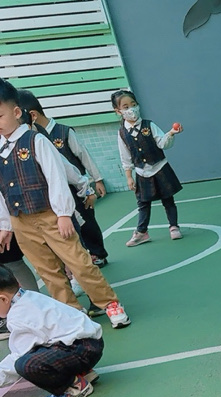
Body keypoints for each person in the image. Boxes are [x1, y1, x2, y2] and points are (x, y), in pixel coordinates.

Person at [0, 79, 130, 328]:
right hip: (21, 222)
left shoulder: (36, 141)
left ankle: (109, 303)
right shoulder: (0, 150)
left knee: (80, 263)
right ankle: (73, 313)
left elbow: (57, 177)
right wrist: (5, 224)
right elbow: (1, 191)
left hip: (50, 215)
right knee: (48, 271)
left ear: (16, 112)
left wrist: (62, 213)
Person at [17, 90, 111, 267]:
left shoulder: (62, 132)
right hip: (55, 193)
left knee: (88, 223)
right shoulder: (29, 139)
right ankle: (78, 260)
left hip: (76, 190)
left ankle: (97, 253)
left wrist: (96, 180)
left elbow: (83, 156)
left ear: (32, 115)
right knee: (69, 230)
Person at [0, 264, 102, 397]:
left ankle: (73, 386)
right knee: (41, 348)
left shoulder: (19, 316)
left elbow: (19, 356)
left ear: (3, 299)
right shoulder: (29, 296)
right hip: (91, 343)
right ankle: (82, 372)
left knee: (25, 364)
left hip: (81, 350)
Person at [113, 89, 184, 248]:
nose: (131, 109)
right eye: (126, 107)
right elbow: (125, 157)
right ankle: (142, 232)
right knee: (143, 203)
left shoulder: (149, 125)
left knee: (168, 199)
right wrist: (129, 177)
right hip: (141, 172)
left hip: (160, 167)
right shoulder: (122, 133)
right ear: (118, 111)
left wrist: (171, 133)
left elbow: (162, 143)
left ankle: (174, 226)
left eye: (133, 104)